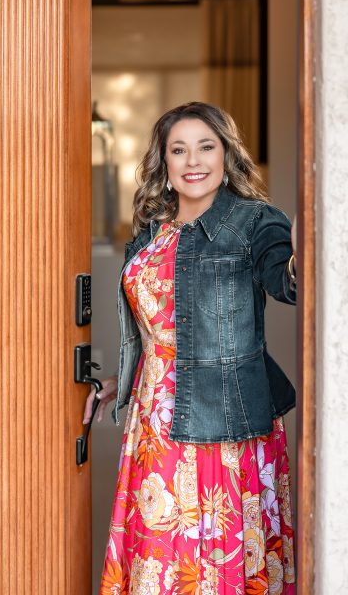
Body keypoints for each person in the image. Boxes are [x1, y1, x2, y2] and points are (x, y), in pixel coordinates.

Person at [83, 101, 297, 594]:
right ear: (164, 162)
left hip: (224, 426)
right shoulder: (150, 235)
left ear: (226, 156)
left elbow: (290, 284)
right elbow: (158, 333)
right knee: (162, 564)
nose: (193, 160)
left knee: (214, 564)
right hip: (152, 426)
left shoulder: (255, 223)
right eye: (178, 150)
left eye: (206, 146)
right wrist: (124, 382)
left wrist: (314, 240)